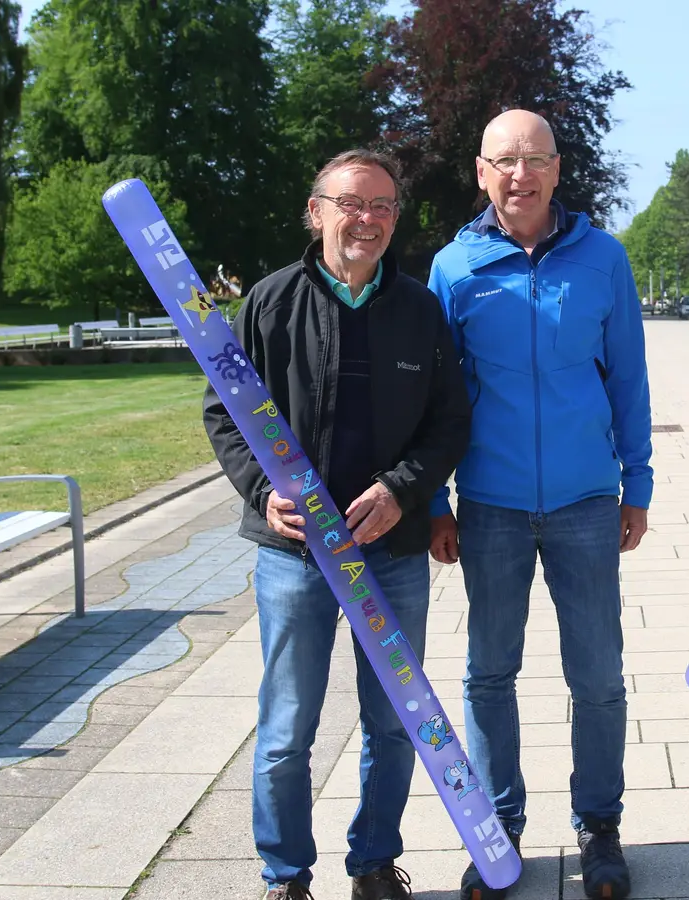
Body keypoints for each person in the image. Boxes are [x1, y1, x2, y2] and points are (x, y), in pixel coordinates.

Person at [204, 149, 471, 900]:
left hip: (392, 550)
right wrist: (262, 494)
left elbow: (450, 423)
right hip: (293, 555)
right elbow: (223, 412)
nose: (369, 219)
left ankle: (375, 862)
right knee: (288, 732)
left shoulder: (421, 310)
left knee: (394, 723)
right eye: (353, 203)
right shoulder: (267, 302)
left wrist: (401, 491)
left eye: (384, 206)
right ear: (316, 211)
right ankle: (285, 876)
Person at [425, 109, 653, 900]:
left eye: (535, 160)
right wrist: (435, 505)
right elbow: (436, 398)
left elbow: (627, 378)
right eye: (504, 162)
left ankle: (600, 827)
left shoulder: (604, 260)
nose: (519, 175)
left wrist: (639, 483)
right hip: (488, 505)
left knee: (597, 675)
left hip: (588, 501)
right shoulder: (453, 268)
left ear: (558, 169)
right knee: (490, 673)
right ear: (481, 174)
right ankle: (499, 827)